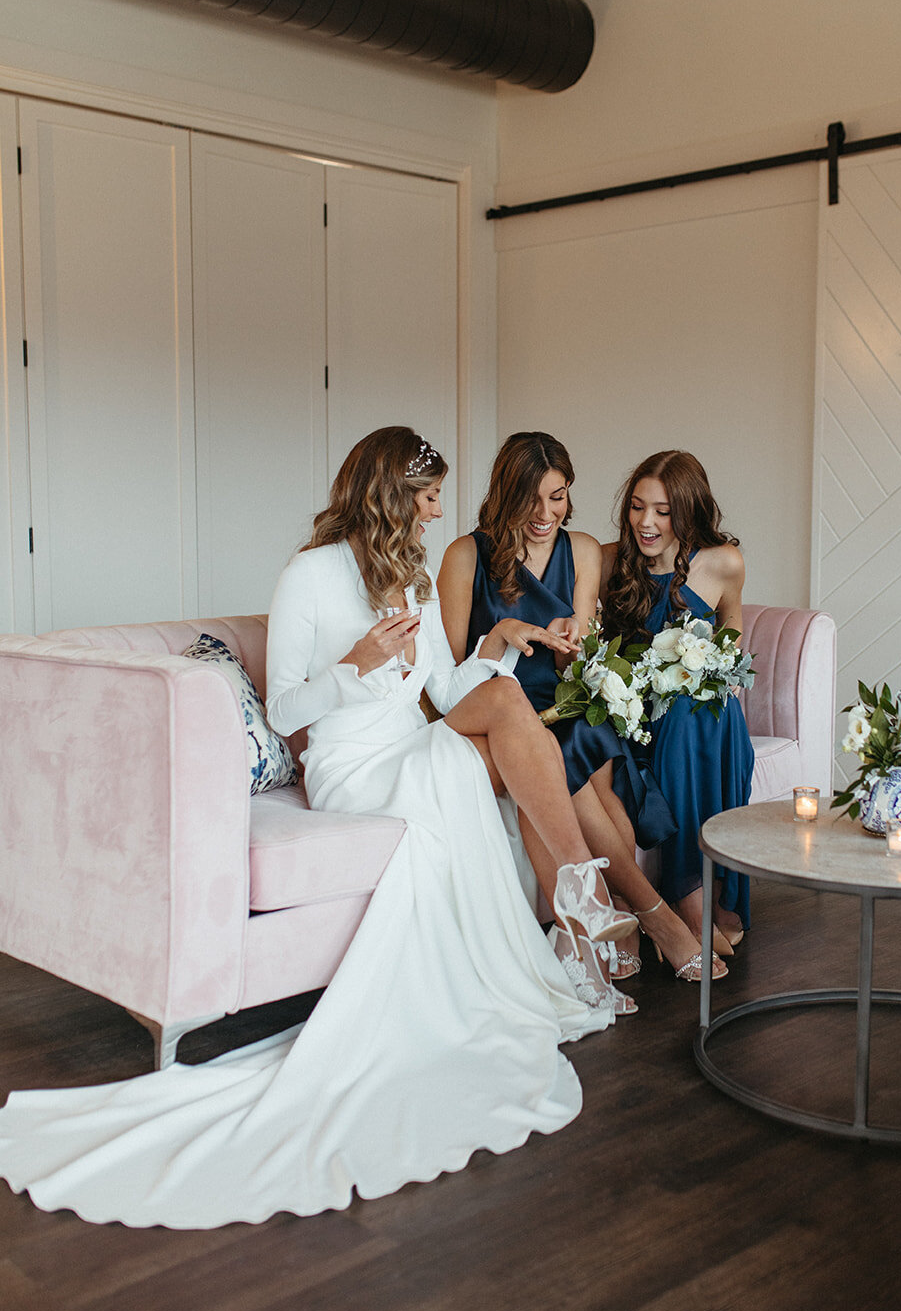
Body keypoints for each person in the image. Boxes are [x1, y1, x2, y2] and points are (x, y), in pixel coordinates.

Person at [0, 428, 633, 1229]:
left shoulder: (406, 574)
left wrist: (497, 646)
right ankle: (584, 903)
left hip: (408, 740)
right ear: (388, 495)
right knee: (512, 730)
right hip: (349, 766)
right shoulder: (310, 574)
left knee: (506, 705)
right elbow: (286, 709)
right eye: (427, 497)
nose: (437, 514)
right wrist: (356, 666)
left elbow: (441, 685)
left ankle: (580, 903)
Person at [439, 431, 708, 986]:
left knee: (588, 755)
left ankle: (633, 923)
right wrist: (504, 637)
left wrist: (570, 644)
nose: (545, 513)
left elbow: (578, 664)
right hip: (495, 708)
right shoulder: (465, 556)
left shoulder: (581, 550)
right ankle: (653, 918)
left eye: (557, 496)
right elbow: (448, 677)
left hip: (566, 700)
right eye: (530, 498)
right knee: (570, 767)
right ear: (503, 495)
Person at [601, 450, 755, 964]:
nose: (646, 522)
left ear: (687, 511)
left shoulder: (724, 563)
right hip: (634, 711)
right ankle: (694, 906)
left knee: (703, 710)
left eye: (663, 511)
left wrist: (703, 667)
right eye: (638, 507)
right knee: (685, 718)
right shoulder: (607, 562)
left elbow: (730, 644)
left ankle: (699, 897)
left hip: (697, 710)